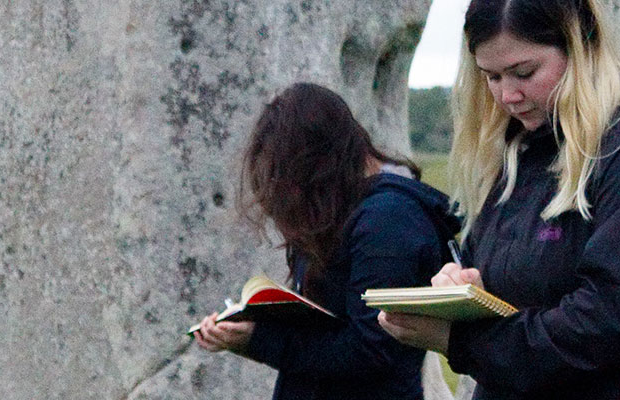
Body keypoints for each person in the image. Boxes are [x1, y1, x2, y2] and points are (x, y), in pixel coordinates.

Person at [376, 0, 620, 399]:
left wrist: (461, 340)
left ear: (580, 45)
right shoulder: (519, 151)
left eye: (524, 72)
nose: (508, 95)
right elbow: (528, 278)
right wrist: (467, 289)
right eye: (491, 77)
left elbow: (609, 323)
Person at [194, 83, 461, 399]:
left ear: (317, 164)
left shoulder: (388, 221)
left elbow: (372, 350)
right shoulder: (344, 211)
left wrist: (259, 340)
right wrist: (245, 326)